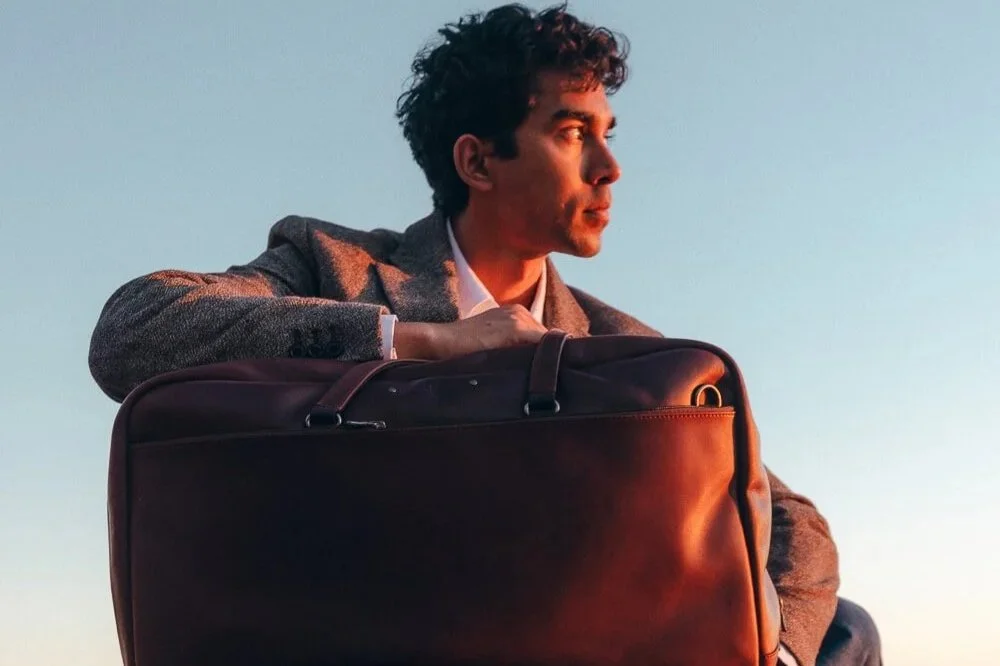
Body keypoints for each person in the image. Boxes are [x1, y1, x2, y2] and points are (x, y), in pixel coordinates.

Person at [88, 3, 880, 665]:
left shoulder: (620, 347)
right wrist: (419, 343)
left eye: (609, 133)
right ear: (477, 160)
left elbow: (790, 518)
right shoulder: (335, 266)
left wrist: (779, 654)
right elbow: (135, 331)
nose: (610, 166)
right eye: (573, 132)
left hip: (571, 636)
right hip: (367, 627)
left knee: (844, 628)